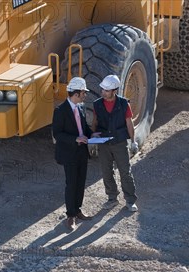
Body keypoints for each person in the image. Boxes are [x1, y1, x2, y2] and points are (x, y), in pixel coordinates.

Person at [52, 77, 97, 231]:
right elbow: (57, 134)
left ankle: (77, 211)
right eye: (84, 93)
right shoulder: (60, 111)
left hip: (81, 152)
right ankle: (70, 216)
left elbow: (84, 128)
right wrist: (75, 139)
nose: (85, 95)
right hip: (69, 153)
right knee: (71, 184)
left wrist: (92, 135)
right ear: (76, 93)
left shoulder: (81, 107)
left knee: (80, 182)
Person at [92, 74, 139, 212]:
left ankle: (130, 200)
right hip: (104, 143)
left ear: (114, 91)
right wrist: (92, 140)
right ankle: (112, 198)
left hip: (119, 143)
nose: (103, 92)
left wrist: (133, 142)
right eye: (103, 90)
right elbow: (95, 122)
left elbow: (129, 124)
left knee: (125, 172)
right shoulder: (97, 104)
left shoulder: (124, 104)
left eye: (106, 90)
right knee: (106, 172)